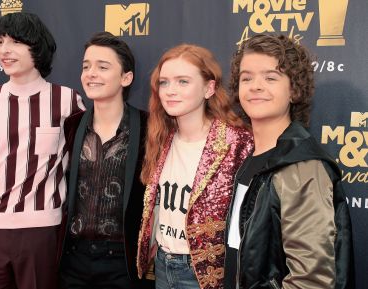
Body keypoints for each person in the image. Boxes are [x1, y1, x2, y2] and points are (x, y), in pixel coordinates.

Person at [224, 34, 354, 289]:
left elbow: (311, 280)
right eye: (247, 77)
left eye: (271, 77)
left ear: (294, 90)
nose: (255, 86)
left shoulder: (301, 166)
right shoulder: (250, 159)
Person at [0, 12, 84, 289]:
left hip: (43, 231)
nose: (4, 50)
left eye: (16, 42)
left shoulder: (67, 100)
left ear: (37, 47)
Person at [136, 44, 253, 289]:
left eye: (183, 81)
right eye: (164, 82)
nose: (170, 91)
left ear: (209, 88)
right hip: (161, 266)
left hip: (205, 274)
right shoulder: (160, 137)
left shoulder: (236, 143)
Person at [58, 32, 154, 289]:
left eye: (103, 67)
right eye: (86, 66)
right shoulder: (72, 124)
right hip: (73, 259)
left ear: (126, 77)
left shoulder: (148, 127)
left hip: (122, 262)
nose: (91, 73)